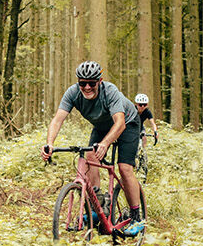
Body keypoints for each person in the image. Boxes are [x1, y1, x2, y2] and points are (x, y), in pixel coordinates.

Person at [40, 61, 145, 235]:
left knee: (124, 168)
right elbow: (57, 119)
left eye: (92, 83)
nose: (87, 87)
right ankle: (98, 206)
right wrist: (49, 143)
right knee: (90, 156)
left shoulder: (110, 92)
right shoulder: (73, 93)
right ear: (78, 83)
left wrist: (105, 143)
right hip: (101, 126)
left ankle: (136, 217)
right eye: (82, 83)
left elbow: (119, 123)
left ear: (100, 81)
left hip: (127, 124)